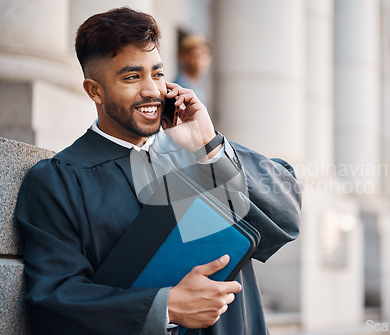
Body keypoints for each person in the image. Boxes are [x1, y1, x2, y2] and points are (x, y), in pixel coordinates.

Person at [15, 7, 301, 335]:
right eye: (132, 77)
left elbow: (286, 217)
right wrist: (166, 306)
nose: (152, 90)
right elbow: (54, 299)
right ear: (95, 90)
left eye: (158, 74)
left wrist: (208, 142)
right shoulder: (60, 179)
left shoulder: (198, 155)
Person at [174, 34, 212, 104]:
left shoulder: (198, 86)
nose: (202, 60)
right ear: (184, 57)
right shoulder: (179, 89)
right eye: (196, 55)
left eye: (206, 55)